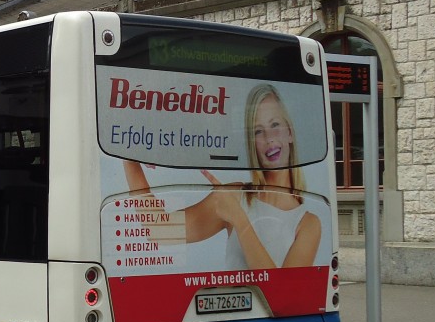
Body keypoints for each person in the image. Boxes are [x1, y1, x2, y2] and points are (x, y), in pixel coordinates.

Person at [123, 83, 322, 270]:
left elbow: (281, 295)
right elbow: (160, 231)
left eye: (275, 124)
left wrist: (239, 220)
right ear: (252, 143)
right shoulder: (235, 196)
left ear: (290, 133)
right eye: (258, 131)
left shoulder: (308, 224)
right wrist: (130, 157)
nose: (269, 138)